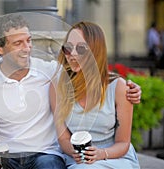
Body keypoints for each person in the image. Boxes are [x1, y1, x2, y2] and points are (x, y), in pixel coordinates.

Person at [0, 13, 141, 169]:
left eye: (29, 40)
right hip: (8, 155)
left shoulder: (49, 72)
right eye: (18, 43)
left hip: (46, 154)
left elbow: (94, 73)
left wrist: (128, 87)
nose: (27, 48)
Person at [50, 21, 140, 168]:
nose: (72, 54)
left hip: (114, 157)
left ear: (95, 50)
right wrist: (78, 152)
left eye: (81, 48)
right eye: (68, 48)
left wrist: (101, 153)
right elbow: (64, 139)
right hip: (77, 159)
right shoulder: (57, 87)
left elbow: (123, 143)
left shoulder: (118, 88)